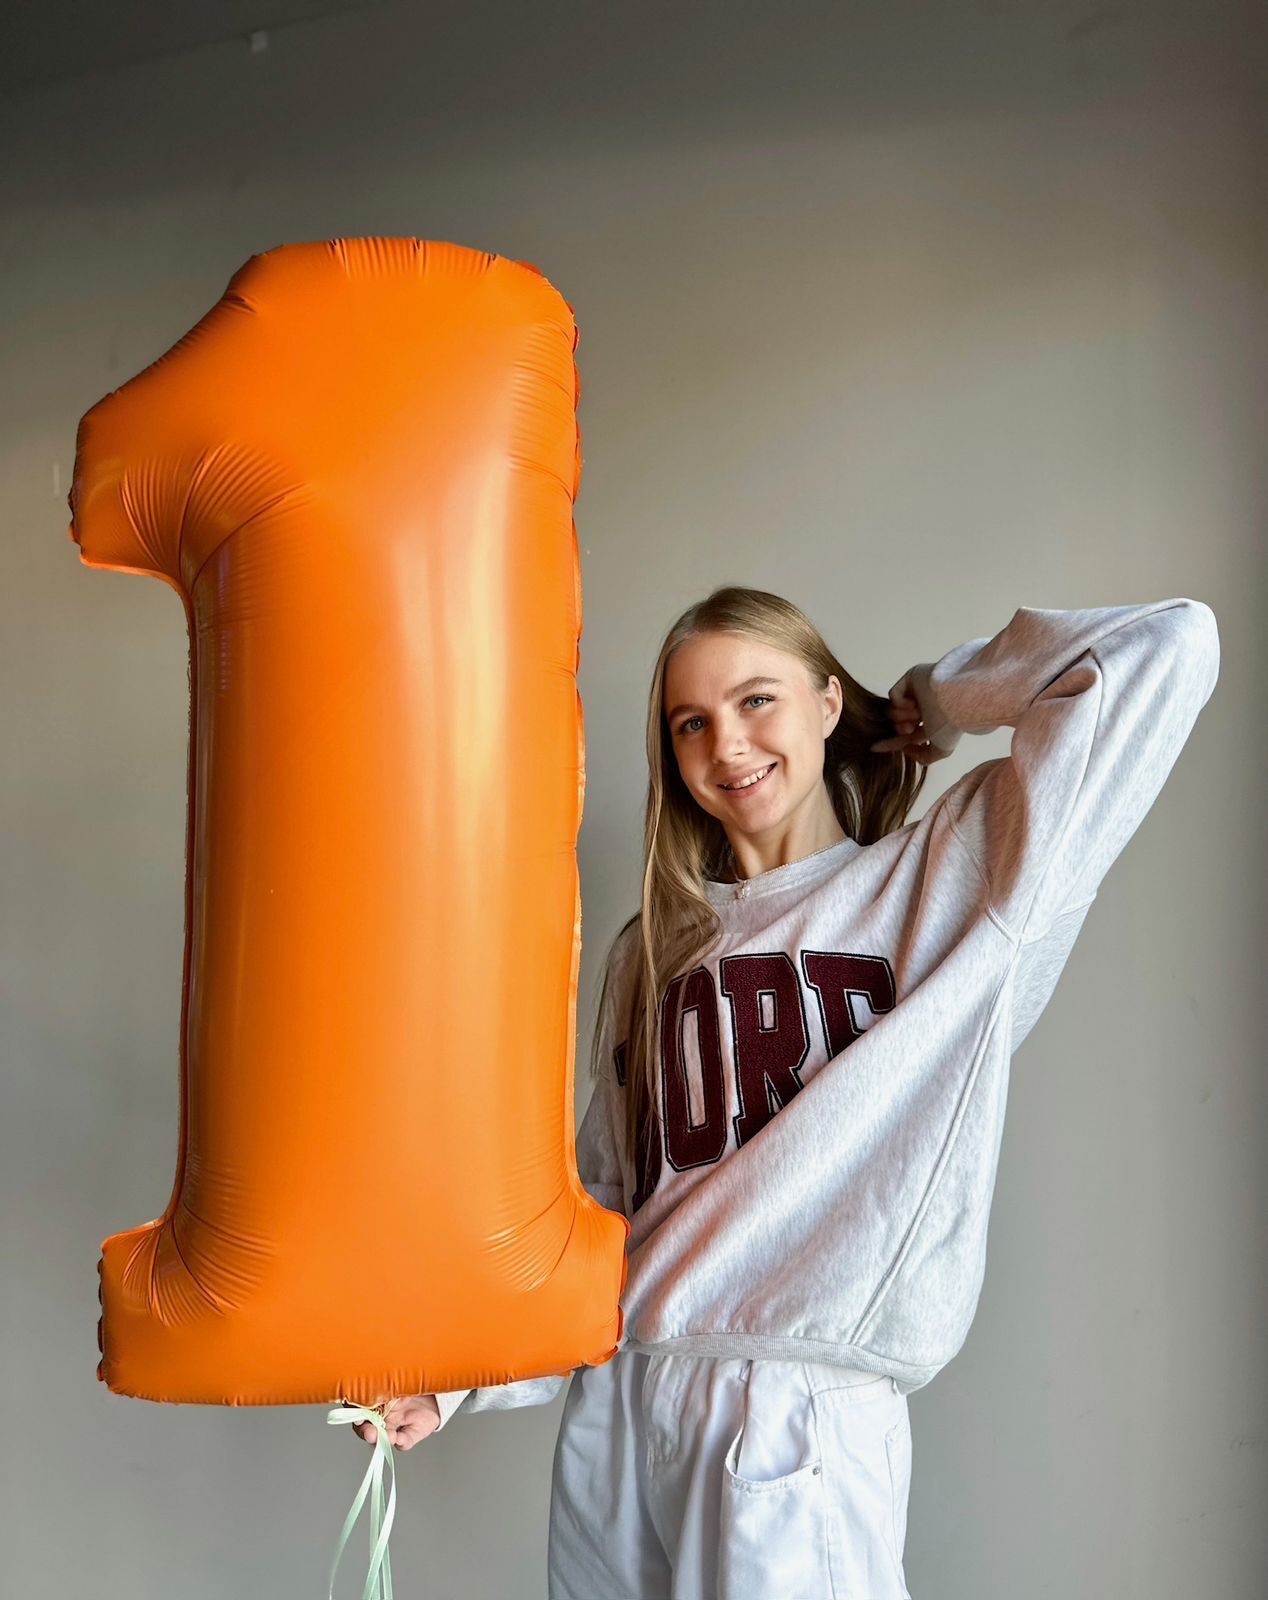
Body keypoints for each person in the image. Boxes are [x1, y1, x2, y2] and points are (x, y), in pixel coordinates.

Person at [352, 587, 1220, 1599]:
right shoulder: (651, 951)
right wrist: (457, 1383)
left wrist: (937, 699)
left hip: (792, 1408)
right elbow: (600, 1210)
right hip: (622, 1406)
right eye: (690, 722)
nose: (726, 744)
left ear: (826, 701)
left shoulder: (946, 880)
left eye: (756, 699)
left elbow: (1166, 645)